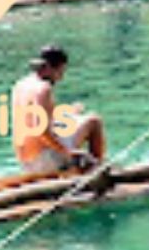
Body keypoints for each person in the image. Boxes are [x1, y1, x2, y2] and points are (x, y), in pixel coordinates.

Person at [11, 45, 106, 175]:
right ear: (54, 68)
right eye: (61, 72)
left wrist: (69, 112)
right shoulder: (43, 89)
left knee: (75, 121)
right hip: (44, 161)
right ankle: (97, 172)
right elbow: (41, 130)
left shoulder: (21, 84)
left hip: (25, 162)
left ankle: (87, 167)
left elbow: (34, 120)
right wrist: (67, 152)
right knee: (94, 121)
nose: (60, 78)